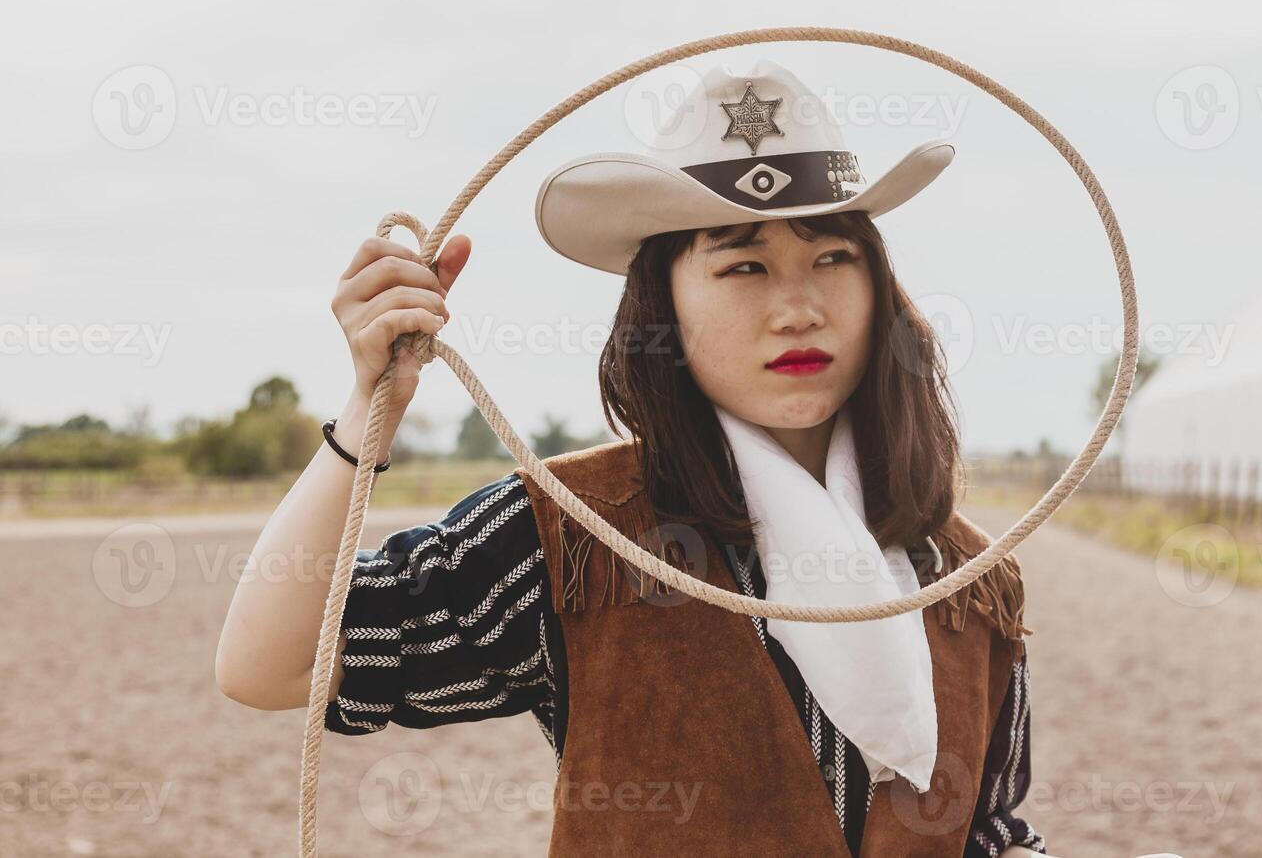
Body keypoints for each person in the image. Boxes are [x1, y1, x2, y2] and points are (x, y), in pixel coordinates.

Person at [216, 59, 1047, 857]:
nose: (798, 307)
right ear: (665, 305)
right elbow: (269, 666)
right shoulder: (575, 536)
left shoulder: (968, 572)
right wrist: (370, 409)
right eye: (744, 265)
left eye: (833, 258)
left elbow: (991, 829)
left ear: (878, 286)